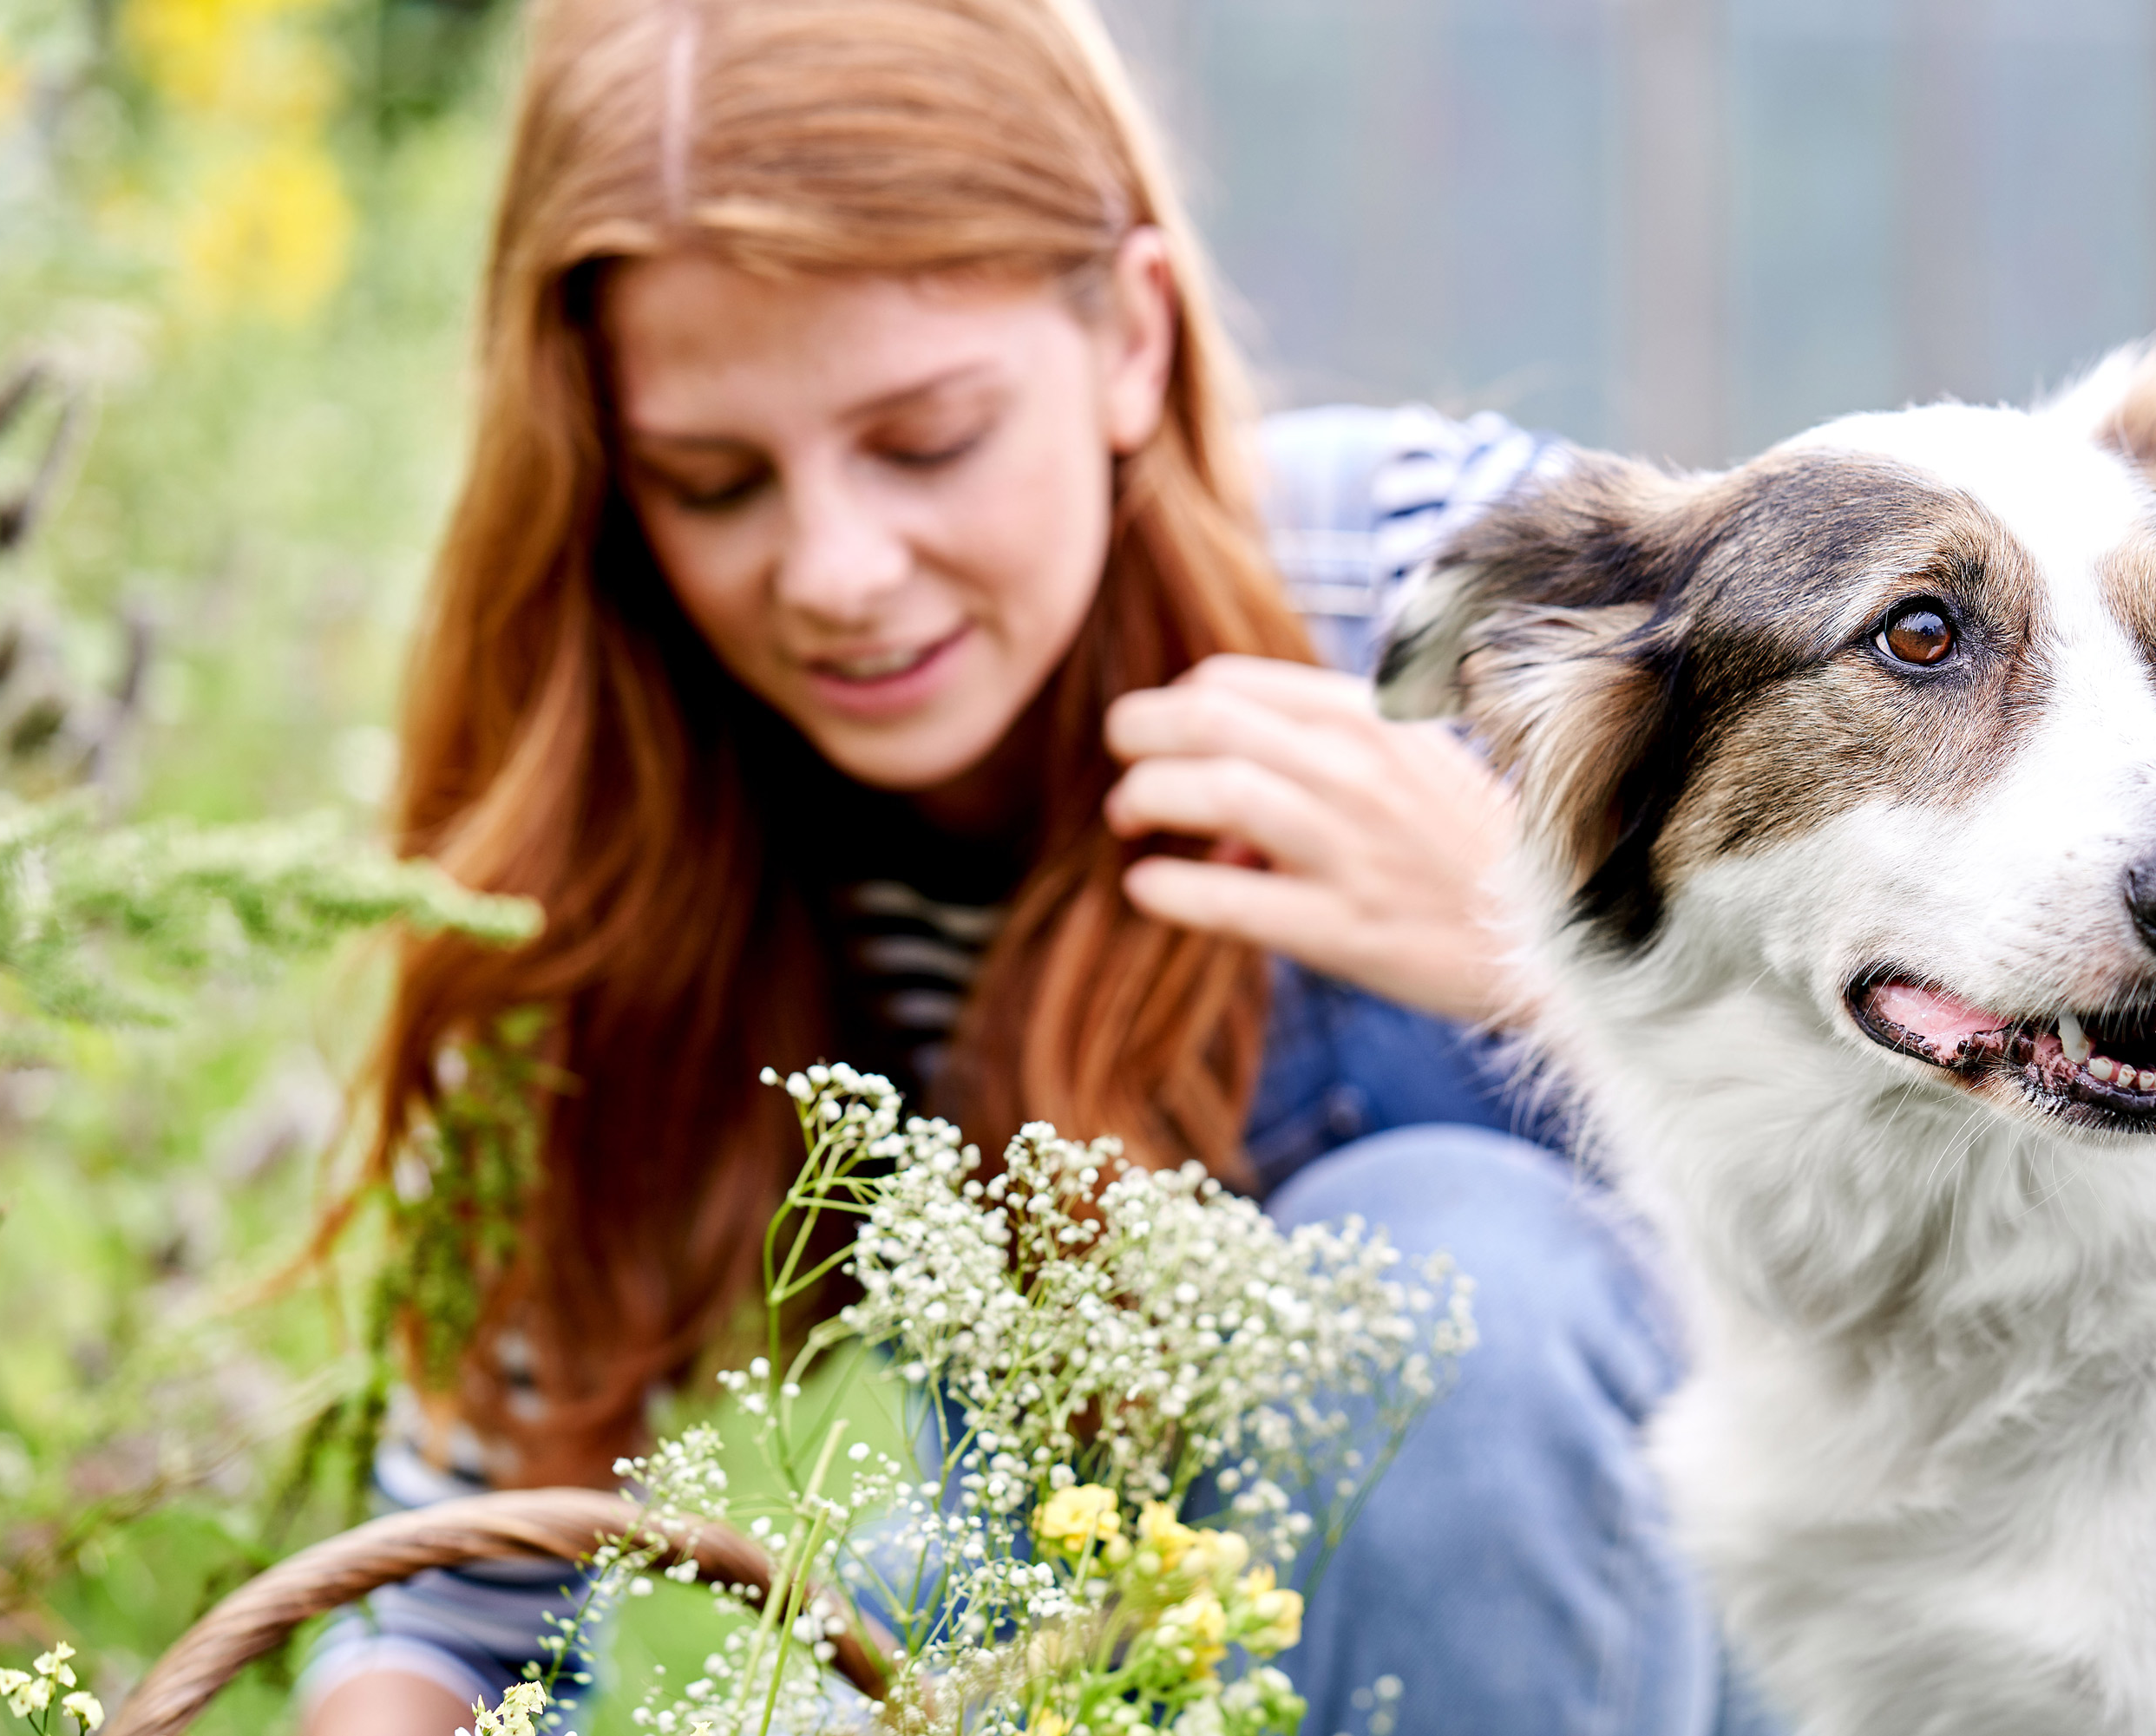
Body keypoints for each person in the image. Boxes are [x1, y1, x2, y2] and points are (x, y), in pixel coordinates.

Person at [300, 1, 1779, 1732]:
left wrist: (1546, 952)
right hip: (1110, 1648)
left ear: (1131, 338)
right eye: (713, 485)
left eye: (926, 440)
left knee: (1445, 1272)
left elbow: (2044, 1222)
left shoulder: (1447, 602)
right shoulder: (662, 833)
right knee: (904, 1612)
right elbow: (467, 1590)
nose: (836, 570)